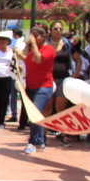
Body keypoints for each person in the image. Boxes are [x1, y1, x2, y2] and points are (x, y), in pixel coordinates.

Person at [18, 26, 56, 154]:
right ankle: (39, 140)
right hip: (30, 86)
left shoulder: (49, 49)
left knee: (35, 113)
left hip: (44, 87)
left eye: (36, 36)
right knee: (35, 114)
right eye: (31, 35)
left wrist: (33, 44)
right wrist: (27, 44)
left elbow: (39, 59)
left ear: (43, 37)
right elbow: (24, 57)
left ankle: (32, 142)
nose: (33, 38)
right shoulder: (32, 50)